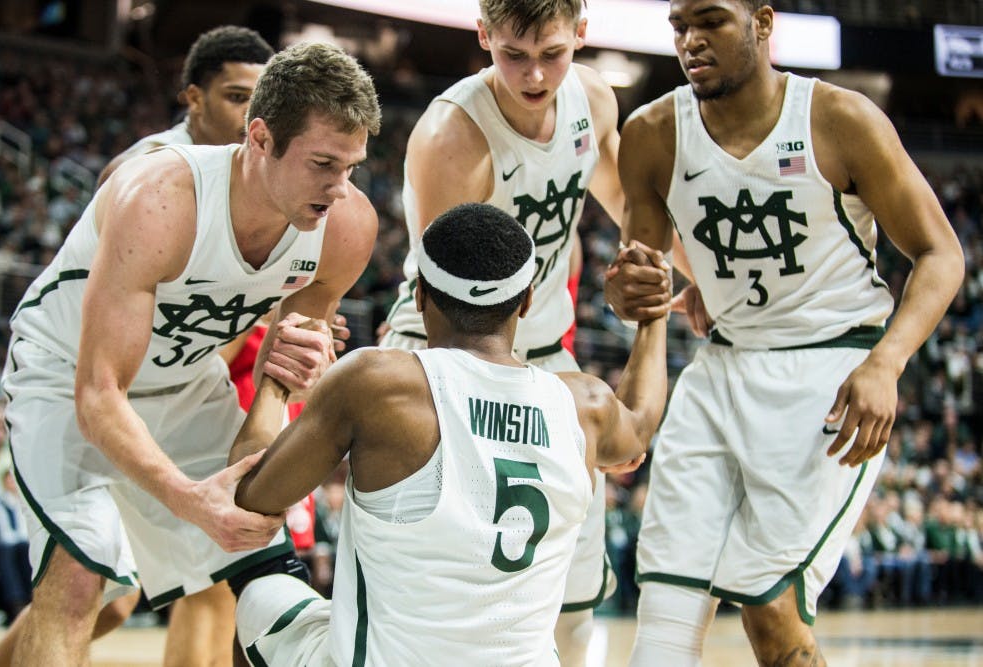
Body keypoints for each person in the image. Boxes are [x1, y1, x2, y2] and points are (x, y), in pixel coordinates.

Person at [605, 1, 965, 665]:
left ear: (763, 23)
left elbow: (942, 255)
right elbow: (644, 284)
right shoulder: (652, 132)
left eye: (710, 20)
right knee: (662, 620)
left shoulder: (840, 118)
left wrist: (887, 363)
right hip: (720, 367)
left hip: (830, 371)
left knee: (770, 608)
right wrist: (628, 291)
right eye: (679, 25)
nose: (691, 41)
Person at [0, 41, 381, 666]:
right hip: (68, 375)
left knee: (264, 553)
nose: (339, 188)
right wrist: (187, 498)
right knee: (81, 576)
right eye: (322, 164)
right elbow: (98, 396)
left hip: (183, 382)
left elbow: (274, 394)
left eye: (352, 167)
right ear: (259, 138)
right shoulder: (161, 199)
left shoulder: (345, 228)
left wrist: (283, 395)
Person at [228, 202, 669, 666]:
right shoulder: (586, 407)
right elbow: (640, 421)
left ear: (420, 296)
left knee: (261, 586)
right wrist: (653, 314)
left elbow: (247, 496)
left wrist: (278, 382)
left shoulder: (378, 384)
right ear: (527, 300)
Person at [0, 25, 277, 667]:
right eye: (234, 96)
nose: (250, 115)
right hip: (98, 385)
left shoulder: (266, 184)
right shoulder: (149, 175)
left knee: (119, 600)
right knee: (87, 586)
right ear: (191, 98)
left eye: (262, 99)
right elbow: (121, 317)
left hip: (166, 388)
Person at [378, 2, 626, 661]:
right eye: (514, 54)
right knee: (454, 594)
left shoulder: (593, 99)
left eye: (552, 53)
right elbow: (454, 301)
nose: (536, 75)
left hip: (544, 350)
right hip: (446, 350)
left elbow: (628, 201)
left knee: (572, 604)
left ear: (580, 34)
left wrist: (688, 287)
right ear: (484, 36)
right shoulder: (451, 137)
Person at [97, 25, 275, 186]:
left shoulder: (262, 167)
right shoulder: (143, 170)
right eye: (237, 97)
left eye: (261, 99)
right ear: (196, 99)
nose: (253, 112)